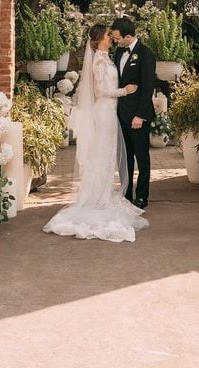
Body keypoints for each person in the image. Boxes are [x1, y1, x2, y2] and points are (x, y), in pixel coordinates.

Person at [43, 24, 149, 243]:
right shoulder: (100, 60)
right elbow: (100, 91)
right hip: (104, 111)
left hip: (111, 112)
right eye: (108, 35)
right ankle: (97, 197)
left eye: (113, 35)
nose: (112, 37)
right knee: (102, 153)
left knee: (108, 154)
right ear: (100, 38)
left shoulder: (108, 56)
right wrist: (124, 91)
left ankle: (104, 192)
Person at [110, 16, 156, 208]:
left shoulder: (146, 54)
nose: (115, 41)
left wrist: (140, 115)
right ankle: (126, 193)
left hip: (138, 115)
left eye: (118, 38)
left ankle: (142, 196)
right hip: (121, 114)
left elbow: (148, 87)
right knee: (125, 157)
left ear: (128, 36)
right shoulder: (118, 54)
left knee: (142, 157)